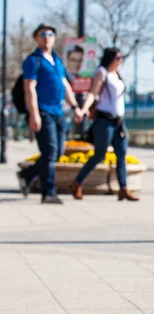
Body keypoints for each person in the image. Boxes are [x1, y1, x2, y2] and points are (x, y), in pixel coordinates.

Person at [17, 23, 84, 204]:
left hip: (58, 112)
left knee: (57, 152)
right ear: (36, 38)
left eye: (50, 34)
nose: (47, 37)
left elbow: (65, 86)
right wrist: (34, 114)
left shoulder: (57, 61)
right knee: (49, 151)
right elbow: (29, 88)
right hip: (43, 111)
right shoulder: (33, 60)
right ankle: (48, 192)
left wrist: (76, 106)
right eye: (43, 34)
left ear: (54, 38)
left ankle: (27, 174)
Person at [67, 48, 138, 201]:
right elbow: (93, 93)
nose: (121, 60)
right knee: (99, 154)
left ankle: (123, 188)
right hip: (104, 120)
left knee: (121, 154)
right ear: (111, 58)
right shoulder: (102, 72)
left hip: (119, 121)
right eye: (118, 57)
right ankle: (77, 183)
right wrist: (84, 109)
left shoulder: (118, 75)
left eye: (121, 57)